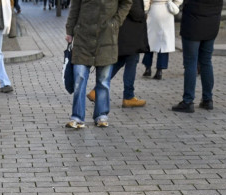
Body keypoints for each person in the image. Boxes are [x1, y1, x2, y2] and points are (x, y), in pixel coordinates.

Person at [65, 0, 131, 128]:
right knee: (79, 78)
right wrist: (70, 29)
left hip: (106, 37)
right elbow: (75, 6)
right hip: (83, 37)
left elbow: (127, 2)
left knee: (103, 81)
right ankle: (77, 117)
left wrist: (116, 22)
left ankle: (101, 115)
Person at [172, 0, 220, 112]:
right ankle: (208, 99)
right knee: (206, 62)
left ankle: (188, 101)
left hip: (193, 25)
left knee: (190, 63)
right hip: (211, 24)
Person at [109, 0, 147, 107]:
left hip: (124, 30)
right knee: (132, 60)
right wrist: (143, 15)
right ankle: (128, 96)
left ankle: (97, 90)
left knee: (120, 61)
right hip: (130, 31)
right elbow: (136, 11)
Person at [141, 0, 177, 78]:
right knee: (164, 42)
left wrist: (146, 9)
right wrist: (174, 5)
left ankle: (147, 68)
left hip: (154, 10)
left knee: (150, 40)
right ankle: (159, 70)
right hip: (168, 11)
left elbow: (146, 1)